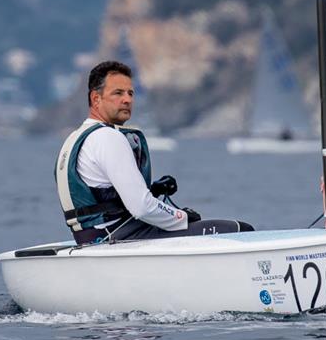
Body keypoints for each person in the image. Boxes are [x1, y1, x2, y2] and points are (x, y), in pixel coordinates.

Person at [55, 60, 254, 245]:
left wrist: (152, 190)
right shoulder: (108, 137)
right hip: (120, 238)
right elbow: (142, 207)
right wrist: (182, 217)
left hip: (92, 238)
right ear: (96, 99)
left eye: (130, 93)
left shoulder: (75, 140)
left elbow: (101, 196)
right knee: (239, 230)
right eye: (118, 93)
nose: (127, 100)